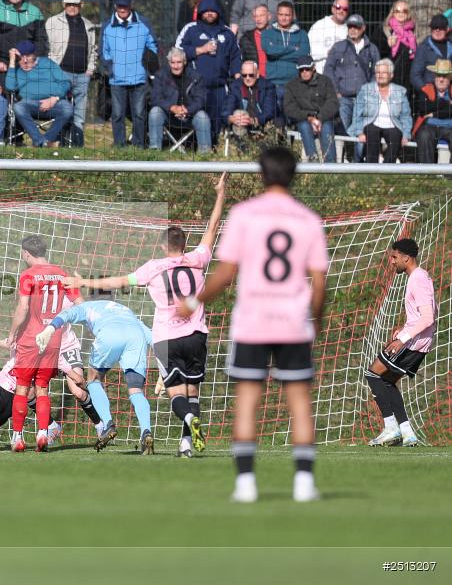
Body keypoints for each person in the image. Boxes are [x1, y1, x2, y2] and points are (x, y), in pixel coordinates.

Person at [178, 146, 328, 504]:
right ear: (295, 175)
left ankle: (246, 484)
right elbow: (319, 282)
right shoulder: (308, 219)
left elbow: (226, 272)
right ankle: (304, 484)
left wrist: (195, 300)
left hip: (252, 322)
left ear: (262, 174)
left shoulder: (244, 214)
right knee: (300, 403)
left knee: (246, 402)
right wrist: (316, 322)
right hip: (293, 323)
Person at [66, 174, 226, 457]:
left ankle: (188, 422)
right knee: (193, 393)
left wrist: (85, 284)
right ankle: (186, 443)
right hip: (197, 335)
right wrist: (220, 193)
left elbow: (119, 281)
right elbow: (213, 226)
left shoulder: (153, 267)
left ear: (164, 246)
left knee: (176, 395)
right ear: (185, 243)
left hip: (167, 338)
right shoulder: (199, 259)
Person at [0, 329, 105, 451]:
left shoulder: (26, 337)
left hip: (0, 389)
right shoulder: (49, 347)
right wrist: (80, 380)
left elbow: (8, 342)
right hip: (13, 402)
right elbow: (62, 364)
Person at [35, 296, 155, 455]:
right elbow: (153, 338)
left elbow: (66, 315)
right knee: (136, 390)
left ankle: (108, 425)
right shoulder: (124, 310)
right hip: (136, 336)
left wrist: (50, 328)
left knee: (93, 380)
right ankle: (146, 432)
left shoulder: (87, 307)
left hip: (110, 333)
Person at [6, 235, 81, 452]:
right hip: (53, 338)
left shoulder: (28, 274)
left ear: (26, 253)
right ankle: (42, 434)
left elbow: (23, 308)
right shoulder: (62, 274)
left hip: (30, 338)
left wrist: (12, 333)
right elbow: (80, 304)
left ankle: (18, 437)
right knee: (42, 389)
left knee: (22, 389)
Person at [364, 238, 435, 448]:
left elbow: (428, 317)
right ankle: (407, 433)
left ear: (406, 257)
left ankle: (391, 427)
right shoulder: (419, 277)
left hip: (413, 343)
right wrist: (403, 330)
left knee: (372, 373)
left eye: (394, 257)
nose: (392, 262)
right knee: (386, 381)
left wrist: (403, 338)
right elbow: (423, 314)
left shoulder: (418, 279)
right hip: (416, 340)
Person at [175, 0, 240, 137]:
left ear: (218, 12)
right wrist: (201, 49)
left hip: (220, 86)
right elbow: (177, 53)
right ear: (200, 12)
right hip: (196, 86)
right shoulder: (191, 29)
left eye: (213, 10)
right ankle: (196, 145)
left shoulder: (227, 33)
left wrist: (238, 77)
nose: (209, 13)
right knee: (200, 118)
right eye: (206, 10)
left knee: (218, 120)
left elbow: (236, 57)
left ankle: (215, 147)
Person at [101, 0, 157, 147]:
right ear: (115, 6)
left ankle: (139, 144)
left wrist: (147, 66)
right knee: (117, 114)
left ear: (130, 5)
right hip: (117, 79)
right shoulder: (107, 26)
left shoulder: (143, 23)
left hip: (139, 78)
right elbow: (103, 51)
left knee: (139, 113)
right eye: (119, 6)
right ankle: (119, 145)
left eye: (125, 6)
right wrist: (111, 69)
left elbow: (153, 46)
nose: (122, 9)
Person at [324, 14, 379, 162]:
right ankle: (342, 162)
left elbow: (377, 72)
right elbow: (328, 69)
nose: (353, 30)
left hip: (363, 98)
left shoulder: (371, 49)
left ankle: (357, 163)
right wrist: (335, 91)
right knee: (344, 131)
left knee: (360, 131)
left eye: (356, 27)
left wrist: (370, 91)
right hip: (343, 98)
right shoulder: (339, 47)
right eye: (350, 27)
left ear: (363, 28)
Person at [45, 0, 95, 147]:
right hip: (61, 73)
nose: (72, 8)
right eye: (69, 4)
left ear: (81, 5)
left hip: (82, 75)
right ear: (63, 5)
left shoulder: (89, 26)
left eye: (75, 5)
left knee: (79, 113)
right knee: (62, 110)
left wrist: (90, 70)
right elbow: (46, 48)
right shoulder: (52, 22)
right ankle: (60, 141)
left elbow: (93, 50)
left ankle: (77, 144)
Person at [5, 40, 73, 148]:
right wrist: (12, 62)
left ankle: (46, 140)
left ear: (35, 55)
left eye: (28, 56)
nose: (25, 60)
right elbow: (10, 86)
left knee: (68, 109)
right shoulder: (17, 70)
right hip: (30, 104)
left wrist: (54, 98)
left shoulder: (48, 63)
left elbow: (66, 83)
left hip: (54, 102)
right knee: (18, 107)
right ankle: (41, 142)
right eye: (22, 56)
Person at [147, 47, 211, 152]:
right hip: (168, 115)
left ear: (185, 62)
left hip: (190, 115)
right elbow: (155, 98)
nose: (176, 66)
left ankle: (205, 155)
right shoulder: (160, 76)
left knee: (202, 117)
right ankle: (154, 151)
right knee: (155, 112)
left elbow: (201, 99)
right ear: (169, 62)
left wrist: (187, 110)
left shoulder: (196, 77)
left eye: (179, 62)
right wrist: (172, 107)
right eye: (173, 63)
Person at [349, 58, 412, 164]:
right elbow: (357, 113)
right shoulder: (366, 89)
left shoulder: (400, 91)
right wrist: (359, 132)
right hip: (371, 123)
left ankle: (387, 170)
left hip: (392, 124)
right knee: (371, 132)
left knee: (396, 136)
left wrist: (406, 134)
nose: (380, 75)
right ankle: (371, 169)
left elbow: (405, 116)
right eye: (378, 72)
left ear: (391, 75)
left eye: (384, 72)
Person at [0, 0, 47, 88]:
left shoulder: (35, 12)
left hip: (28, 64)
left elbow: (41, 40)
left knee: (28, 99)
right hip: (3, 65)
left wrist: (34, 59)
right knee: (2, 99)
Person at [283, 54, 337, 162]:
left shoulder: (325, 81)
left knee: (326, 128)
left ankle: (331, 166)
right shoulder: (291, 86)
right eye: (301, 70)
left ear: (313, 68)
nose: (304, 72)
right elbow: (289, 108)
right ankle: (313, 161)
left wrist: (319, 118)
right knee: (304, 126)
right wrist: (308, 117)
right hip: (303, 119)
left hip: (324, 118)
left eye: (307, 69)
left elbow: (333, 103)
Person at [262, 1, 309, 118]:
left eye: (287, 15)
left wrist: (279, 52)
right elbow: (270, 52)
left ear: (292, 16)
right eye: (281, 14)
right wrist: (292, 48)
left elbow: (303, 54)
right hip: (274, 83)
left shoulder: (302, 34)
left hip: (295, 84)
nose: (284, 18)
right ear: (277, 15)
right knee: (276, 119)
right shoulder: (267, 33)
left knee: (293, 119)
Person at [224, 60, 277, 138]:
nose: (247, 78)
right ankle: (242, 148)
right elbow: (227, 107)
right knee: (238, 114)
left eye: (251, 75)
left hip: (261, 121)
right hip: (242, 122)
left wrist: (253, 120)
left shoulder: (268, 86)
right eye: (244, 75)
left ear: (257, 74)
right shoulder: (235, 86)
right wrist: (231, 118)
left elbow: (269, 112)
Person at [413, 59, 452, 164]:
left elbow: (429, 108)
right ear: (434, 76)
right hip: (429, 126)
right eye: (439, 75)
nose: (441, 79)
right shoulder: (426, 89)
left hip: (450, 127)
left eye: (444, 76)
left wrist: (434, 113)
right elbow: (423, 108)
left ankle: (450, 174)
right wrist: (446, 104)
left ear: (450, 77)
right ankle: (427, 173)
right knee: (424, 135)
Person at [376, 1, 416, 95]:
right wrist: (387, 45)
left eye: (404, 11)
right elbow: (375, 53)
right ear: (393, 13)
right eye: (397, 11)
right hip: (388, 80)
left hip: (406, 81)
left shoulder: (412, 32)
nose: (401, 13)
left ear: (408, 13)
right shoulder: (385, 30)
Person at [307, 0, 348, 74]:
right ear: (332, 9)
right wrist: (327, 53)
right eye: (338, 7)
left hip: (343, 77)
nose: (342, 10)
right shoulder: (319, 26)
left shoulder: (349, 30)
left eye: (345, 9)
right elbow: (309, 51)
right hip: (321, 76)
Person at [411, 15, 451, 92]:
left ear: (447, 29)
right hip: (430, 94)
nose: (437, 30)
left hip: (449, 94)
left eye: (441, 28)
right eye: (434, 27)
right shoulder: (424, 48)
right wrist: (424, 88)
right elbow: (415, 75)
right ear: (431, 29)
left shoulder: (451, 46)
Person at [238, 4, 269, 70]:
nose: (258, 19)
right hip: (255, 78)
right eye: (255, 16)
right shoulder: (245, 39)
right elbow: (240, 62)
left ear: (269, 16)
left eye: (262, 15)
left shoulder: (277, 36)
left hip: (274, 78)